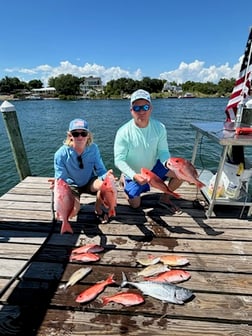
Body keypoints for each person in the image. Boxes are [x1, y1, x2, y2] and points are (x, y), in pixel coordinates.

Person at [114, 89, 183, 211]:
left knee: (181, 173)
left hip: (153, 168)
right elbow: (119, 160)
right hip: (134, 173)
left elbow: (163, 152)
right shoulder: (123, 132)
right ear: (131, 111)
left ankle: (165, 199)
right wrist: (133, 175)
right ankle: (124, 178)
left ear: (150, 108)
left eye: (145, 107)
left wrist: (167, 163)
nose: (141, 111)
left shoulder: (160, 127)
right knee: (135, 204)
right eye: (136, 108)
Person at [53, 118, 112, 223]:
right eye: (76, 134)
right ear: (70, 135)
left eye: (83, 133)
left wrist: (107, 176)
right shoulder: (60, 154)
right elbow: (61, 178)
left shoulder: (94, 148)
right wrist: (57, 184)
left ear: (88, 135)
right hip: (71, 186)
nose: (80, 137)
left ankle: (98, 210)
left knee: (105, 186)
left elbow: (101, 170)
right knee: (73, 212)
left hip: (89, 182)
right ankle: (74, 204)